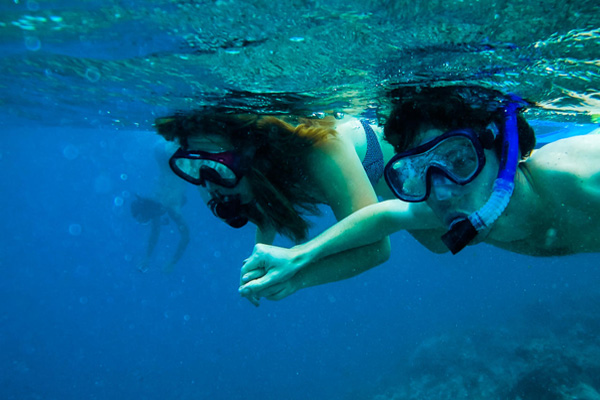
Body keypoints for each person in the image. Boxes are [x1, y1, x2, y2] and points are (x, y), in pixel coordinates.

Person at [239, 85, 600, 302]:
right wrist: (299, 259)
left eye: (459, 159)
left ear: (504, 147)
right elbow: (386, 215)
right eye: (417, 173)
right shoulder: (470, 199)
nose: (441, 193)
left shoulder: (579, 178)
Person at [154, 110, 408, 304]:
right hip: (389, 179)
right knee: (439, 243)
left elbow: (377, 249)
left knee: (440, 242)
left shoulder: (319, 150)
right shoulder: (263, 174)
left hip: (402, 157)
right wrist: (260, 262)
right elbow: (266, 215)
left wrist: (297, 276)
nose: (210, 186)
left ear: (250, 156)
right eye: (192, 166)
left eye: (220, 168)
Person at [131, 140, 190, 273]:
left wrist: (172, 262)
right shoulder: (162, 205)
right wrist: (149, 257)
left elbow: (185, 236)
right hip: (165, 156)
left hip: (174, 159)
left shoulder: (170, 207)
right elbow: (156, 233)